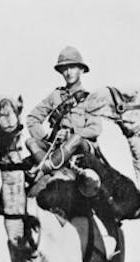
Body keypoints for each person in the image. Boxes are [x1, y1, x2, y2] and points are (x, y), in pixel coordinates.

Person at [24, 46, 102, 189]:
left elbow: (95, 129)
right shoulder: (56, 95)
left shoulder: (91, 99)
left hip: (82, 147)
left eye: (72, 67)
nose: (68, 72)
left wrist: (69, 135)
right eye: (64, 69)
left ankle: (43, 170)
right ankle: (53, 169)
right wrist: (48, 139)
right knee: (30, 142)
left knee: (76, 138)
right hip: (58, 149)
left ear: (81, 69)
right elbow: (32, 119)